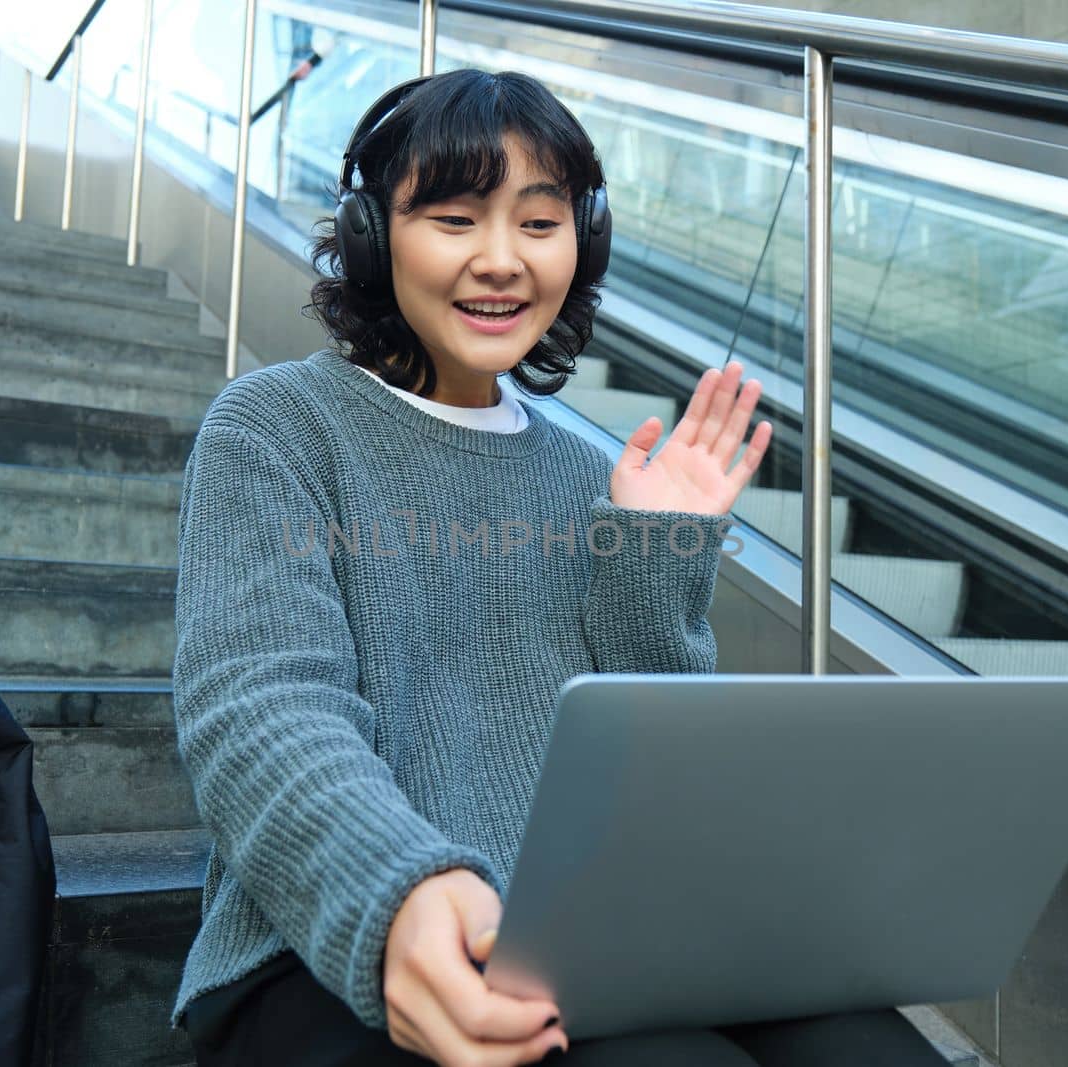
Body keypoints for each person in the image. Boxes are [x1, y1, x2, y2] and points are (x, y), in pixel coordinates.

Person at [172, 68, 946, 1067]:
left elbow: (647, 776)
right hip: (330, 936)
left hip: (590, 936)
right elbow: (260, 709)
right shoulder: (276, 425)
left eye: (538, 225)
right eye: (454, 218)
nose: (501, 261)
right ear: (373, 236)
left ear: (582, 243)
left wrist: (654, 555)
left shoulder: (591, 470)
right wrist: (404, 889)